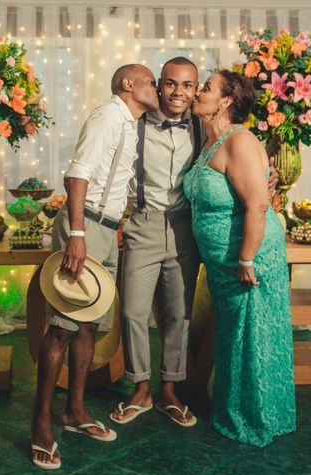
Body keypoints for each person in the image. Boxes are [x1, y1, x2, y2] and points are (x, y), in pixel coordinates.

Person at [110, 58, 277, 427]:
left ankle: (170, 390)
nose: (180, 93)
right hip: (144, 224)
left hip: (187, 228)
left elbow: (241, 163)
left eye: (189, 86)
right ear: (159, 86)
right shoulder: (132, 123)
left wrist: (269, 174)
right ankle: (140, 388)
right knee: (133, 311)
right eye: (171, 84)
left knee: (178, 313)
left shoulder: (204, 128)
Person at [31, 64, 159, 469]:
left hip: (106, 230)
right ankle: (40, 425)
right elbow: (78, 174)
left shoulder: (131, 123)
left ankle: (75, 411)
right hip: (84, 225)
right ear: (128, 85)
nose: (156, 88)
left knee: (88, 324)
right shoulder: (108, 116)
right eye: (151, 82)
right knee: (62, 328)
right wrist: (78, 234)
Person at [183, 69, 295, 447]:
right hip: (222, 262)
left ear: (227, 101)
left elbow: (258, 204)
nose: (198, 92)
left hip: (248, 258)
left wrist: (246, 258)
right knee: (234, 336)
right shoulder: (210, 140)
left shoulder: (240, 140)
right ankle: (234, 408)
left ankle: (255, 416)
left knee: (253, 336)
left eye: (207, 88)